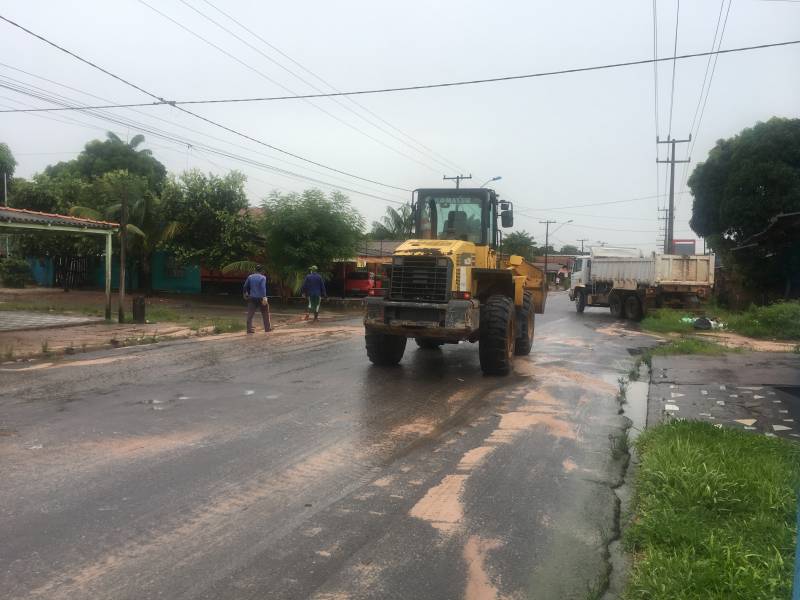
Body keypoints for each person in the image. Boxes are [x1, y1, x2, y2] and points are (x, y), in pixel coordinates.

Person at [243, 265, 271, 334]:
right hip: (261, 298)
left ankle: (249, 330)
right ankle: (267, 328)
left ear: (255, 270)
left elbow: (245, 286)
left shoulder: (250, 277)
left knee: (250, 314)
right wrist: (264, 297)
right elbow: (263, 288)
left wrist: (245, 293)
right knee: (265, 313)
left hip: (252, 298)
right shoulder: (263, 277)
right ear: (261, 271)